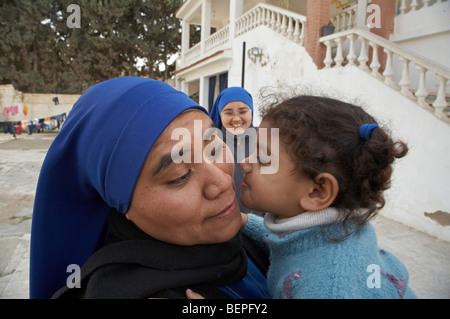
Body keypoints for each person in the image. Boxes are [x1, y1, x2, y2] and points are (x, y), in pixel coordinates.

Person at [30, 77, 269, 299]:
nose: (224, 182)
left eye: (215, 149)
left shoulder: (250, 235)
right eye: (180, 176)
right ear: (123, 203)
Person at [239, 95, 417, 299]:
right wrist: (243, 220)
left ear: (318, 191)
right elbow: (294, 242)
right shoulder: (331, 227)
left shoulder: (329, 288)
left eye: (262, 158)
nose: (245, 162)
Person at [209, 87, 264, 216]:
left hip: (264, 223)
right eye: (228, 113)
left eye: (243, 111)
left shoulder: (265, 138)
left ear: (251, 112)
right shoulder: (210, 143)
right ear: (219, 114)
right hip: (224, 219)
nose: (236, 119)